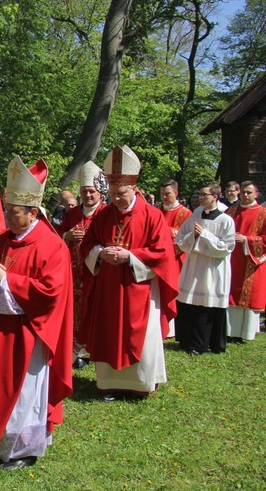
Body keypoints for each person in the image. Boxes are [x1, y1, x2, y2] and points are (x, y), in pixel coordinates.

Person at [0, 156, 73, 471]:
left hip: (30, 334)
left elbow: (50, 293)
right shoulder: (5, 241)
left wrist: (7, 281)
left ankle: (23, 448)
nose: (6, 216)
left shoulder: (52, 246)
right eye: (7, 210)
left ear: (33, 212)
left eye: (13, 212)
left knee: (24, 392)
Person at [80, 146, 178, 401]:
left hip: (140, 289)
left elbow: (162, 254)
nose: (117, 199)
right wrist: (100, 253)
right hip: (109, 288)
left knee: (140, 334)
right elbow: (87, 245)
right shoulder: (102, 215)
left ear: (133, 189)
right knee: (108, 331)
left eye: (121, 193)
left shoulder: (152, 216)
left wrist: (130, 256)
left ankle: (140, 384)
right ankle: (110, 384)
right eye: (112, 194)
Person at [56, 161, 107, 369]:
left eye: (92, 192)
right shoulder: (74, 213)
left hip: (94, 273)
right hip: (72, 272)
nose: (88, 196)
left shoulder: (105, 213)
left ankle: (90, 351)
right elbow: (57, 236)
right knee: (72, 313)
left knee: (92, 311)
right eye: (84, 191)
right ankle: (73, 352)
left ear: (99, 192)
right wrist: (66, 235)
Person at [175, 184, 235, 355]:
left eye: (205, 195)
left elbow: (227, 247)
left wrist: (205, 235)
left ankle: (203, 344)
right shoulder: (194, 216)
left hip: (213, 269)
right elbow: (180, 238)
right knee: (190, 304)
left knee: (207, 306)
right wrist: (193, 236)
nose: (201, 197)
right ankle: (187, 341)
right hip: (194, 266)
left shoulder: (226, 220)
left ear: (215, 197)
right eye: (199, 194)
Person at [226, 181, 266, 343]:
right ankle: (230, 330)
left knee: (251, 295)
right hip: (231, 259)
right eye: (243, 192)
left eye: (249, 192)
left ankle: (247, 333)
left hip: (252, 261)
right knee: (231, 293)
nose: (245, 195)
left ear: (256, 194)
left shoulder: (263, 213)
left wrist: (246, 240)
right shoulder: (231, 211)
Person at [158, 179, 192, 338]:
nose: (164, 197)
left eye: (168, 194)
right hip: (158, 260)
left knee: (174, 292)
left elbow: (187, 238)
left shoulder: (186, 213)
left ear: (176, 193)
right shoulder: (156, 211)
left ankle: (173, 328)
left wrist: (168, 231)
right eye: (162, 194)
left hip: (177, 258)